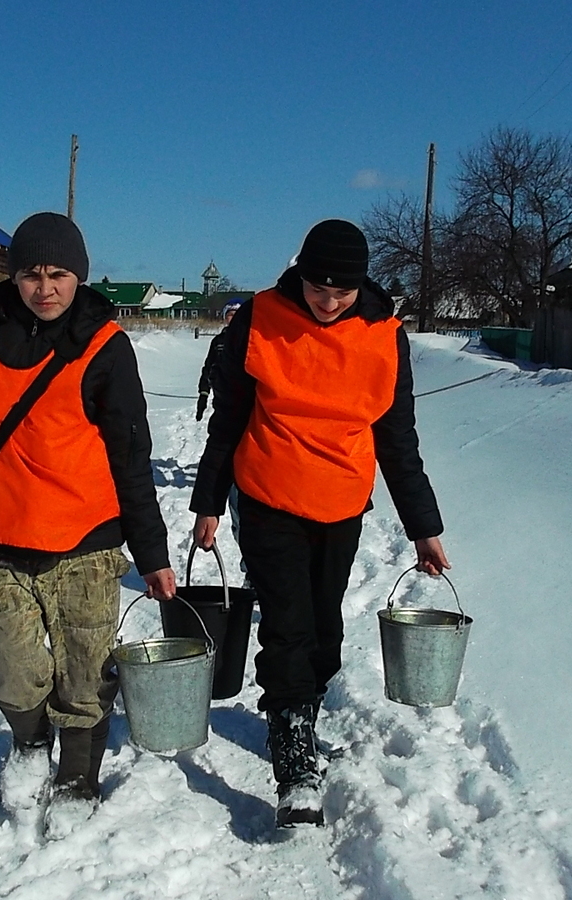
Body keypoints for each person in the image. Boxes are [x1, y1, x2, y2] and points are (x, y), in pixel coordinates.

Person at [189, 219, 449, 828]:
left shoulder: (385, 336)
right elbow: (228, 420)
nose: (328, 303)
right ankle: (293, 755)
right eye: (316, 289)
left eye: (342, 293)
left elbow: (396, 437)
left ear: (363, 285)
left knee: (324, 624)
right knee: (288, 621)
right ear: (297, 273)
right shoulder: (258, 318)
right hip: (267, 494)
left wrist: (423, 526)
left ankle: (303, 704)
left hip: (340, 500)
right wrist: (208, 502)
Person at [0, 212, 177, 811]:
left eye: (59, 274)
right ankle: (32, 745)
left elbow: (131, 459)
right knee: (11, 665)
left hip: (86, 543)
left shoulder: (105, 348)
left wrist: (152, 554)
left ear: (79, 277)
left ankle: (79, 774)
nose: (45, 288)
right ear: (14, 277)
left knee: (84, 671)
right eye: (31, 274)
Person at [196, 299, 243, 421]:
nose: (233, 319)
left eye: (237, 315)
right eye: (230, 315)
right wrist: (203, 394)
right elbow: (208, 368)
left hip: (246, 400)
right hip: (222, 398)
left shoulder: (251, 340)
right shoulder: (218, 341)